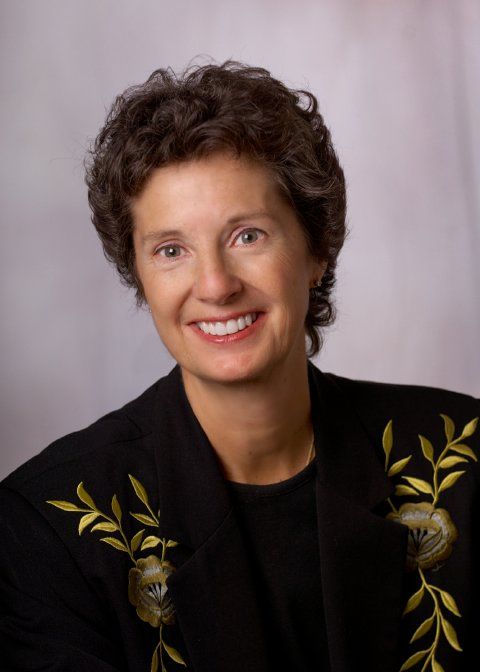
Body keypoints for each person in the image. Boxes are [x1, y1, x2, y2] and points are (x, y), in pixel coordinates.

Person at [0, 61, 478, 672]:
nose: (215, 285)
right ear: (139, 275)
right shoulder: (47, 527)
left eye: (247, 236)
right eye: (171, 250)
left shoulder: (464, 461)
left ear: (316, 248)